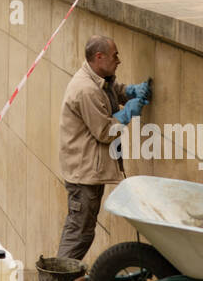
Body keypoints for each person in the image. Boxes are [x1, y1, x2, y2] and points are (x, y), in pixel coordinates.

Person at [56, 36, 151, 263]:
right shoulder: (85, 90)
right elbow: (105, 132)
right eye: (115, 55)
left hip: (88, 170)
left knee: (82, 229)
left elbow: (110, 91)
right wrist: (128, 113)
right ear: (99, 57)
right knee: (80, 231)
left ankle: (61, 279)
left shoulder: (98, 78)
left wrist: (130, 92)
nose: (119, 60)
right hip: (84, 173)